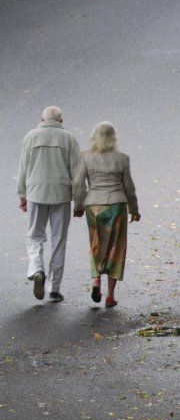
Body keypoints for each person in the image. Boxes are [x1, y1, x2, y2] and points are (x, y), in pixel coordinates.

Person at [73, 122, 140, 307]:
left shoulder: (85, 157)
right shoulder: (122, 158)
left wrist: (78, 206)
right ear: (113, 138)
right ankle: (110, 295)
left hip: (94, 206)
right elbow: (129, 186)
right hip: (117, 206)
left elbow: (78, 184)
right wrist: (134, 210)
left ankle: (96, 280)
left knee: (96, 243)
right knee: (116, 249)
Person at [17, 106, 80, 302]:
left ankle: (37, 269)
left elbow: (23, 168)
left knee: (35, 235)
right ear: (61, 121)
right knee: (58, 241)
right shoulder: (69, 139)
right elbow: (76, 173)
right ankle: (54, 289)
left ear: (41, 118)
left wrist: (22, 194)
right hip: (61, 194)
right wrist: (79, 202)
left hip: (36, 193)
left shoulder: (31, 137)